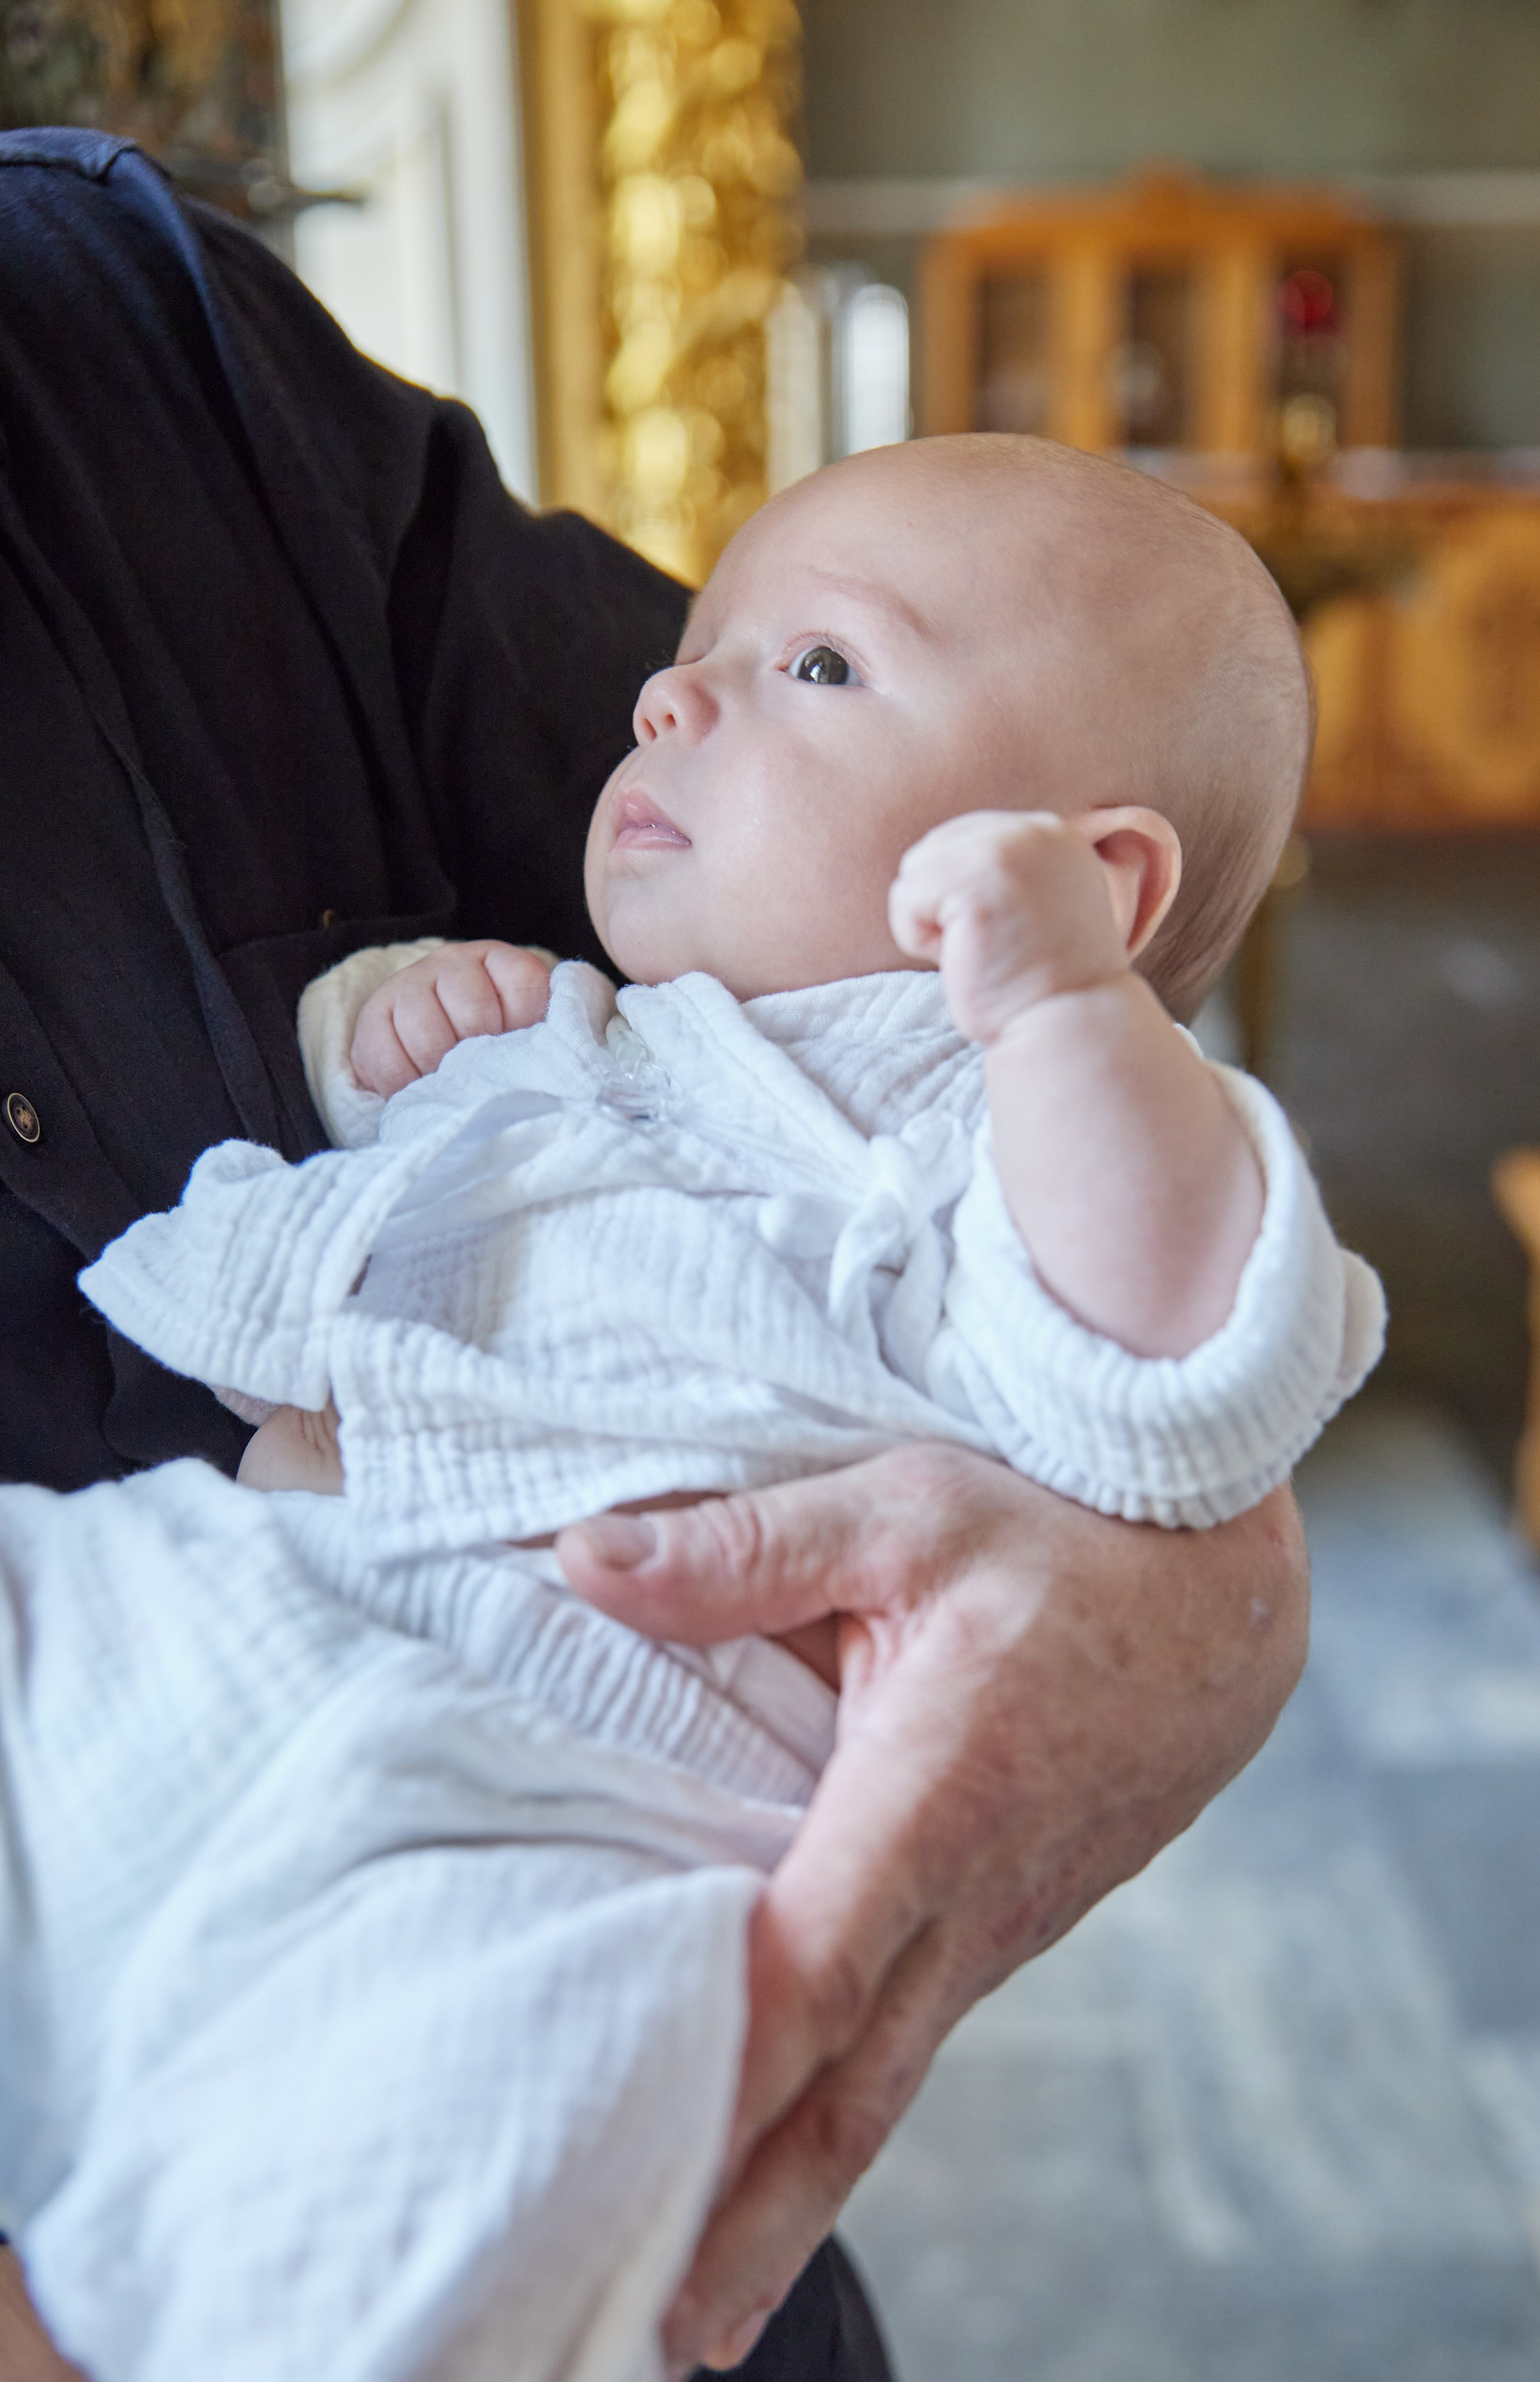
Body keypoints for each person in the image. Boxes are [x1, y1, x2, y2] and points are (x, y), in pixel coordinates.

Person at [0, 129, 1313, 2375]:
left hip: (572, 1768)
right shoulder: (603, 1046)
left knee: (515, 2110)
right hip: (226, 1611)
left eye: (807, 663)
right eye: (693, 654)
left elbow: (1190, 1346)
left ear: (1093, 882)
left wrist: (1070, 1024)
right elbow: (367, 1158)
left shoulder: (987, 1119)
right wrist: (394, 1029)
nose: (666, 698)